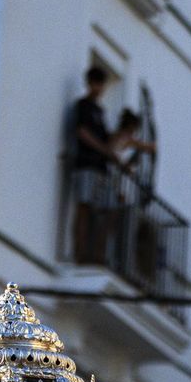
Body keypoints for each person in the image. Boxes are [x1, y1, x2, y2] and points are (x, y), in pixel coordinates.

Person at [68, 67, 128, 267]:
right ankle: (80, 253)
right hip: (86, 164)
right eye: (96, 83)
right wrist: (105, 150)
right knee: (84, 208)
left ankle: (97, 254)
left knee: (109, 209)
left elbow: (105, 140)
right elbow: (82, 133)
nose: (98, 88)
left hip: (101, 168)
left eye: (101, 84)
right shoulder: (83, 106)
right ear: (89, 83)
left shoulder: (100, 112)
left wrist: (122, 134)